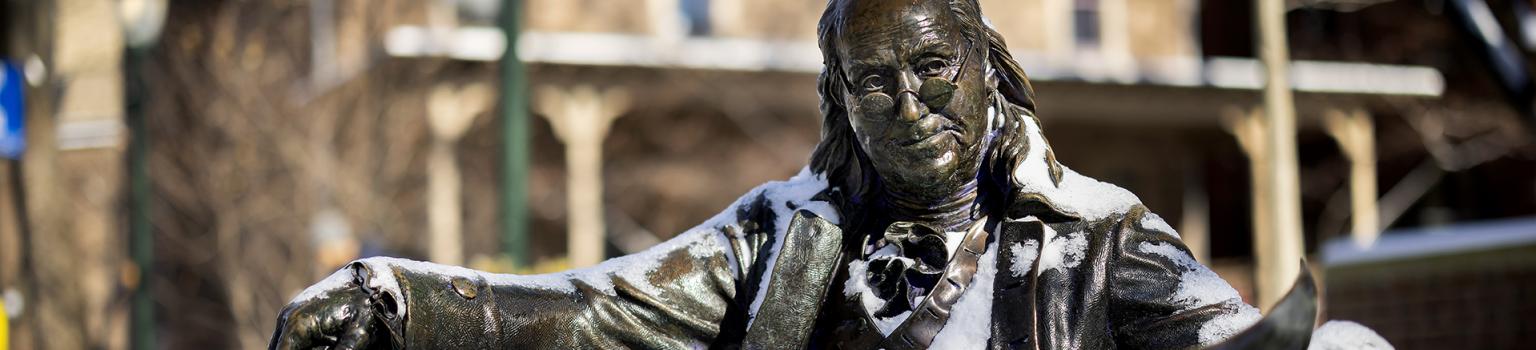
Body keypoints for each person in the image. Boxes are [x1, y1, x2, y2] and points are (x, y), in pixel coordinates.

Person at [270, 0, 1329, 348]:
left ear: (988, 72)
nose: (906, 106)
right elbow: (594, 311)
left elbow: (1218, 332)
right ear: (839, 104)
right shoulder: (782, 235)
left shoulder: (1094, 234)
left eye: (930, 69)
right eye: (872, 82)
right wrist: (399, 297)